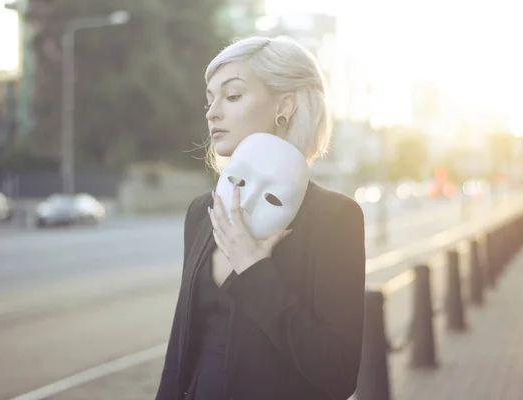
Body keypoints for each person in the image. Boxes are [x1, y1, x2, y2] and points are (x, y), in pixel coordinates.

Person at [155, 36, 366, 400]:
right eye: (209, 100)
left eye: (232, 96)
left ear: (284, 106)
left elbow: (338, 374)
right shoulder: (201, 213)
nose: (212, 112)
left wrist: (253, 270)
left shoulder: (334, 218)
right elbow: (180, 353)